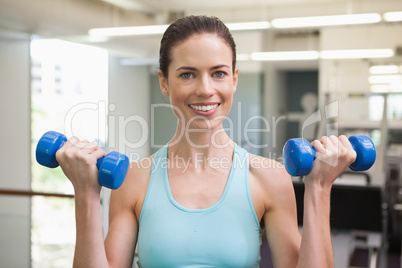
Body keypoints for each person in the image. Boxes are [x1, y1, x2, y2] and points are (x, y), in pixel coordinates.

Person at [55, 15, 357, 268]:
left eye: (219, 73)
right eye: (187, 74)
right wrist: (86, 196)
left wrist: (318, 188)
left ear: (234, 79)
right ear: (164, 82)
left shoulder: (269, 178)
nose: (205, 89)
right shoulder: (134, 180)